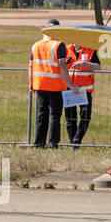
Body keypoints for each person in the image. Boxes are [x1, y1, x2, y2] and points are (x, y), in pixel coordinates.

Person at [29, 20, 82, 148]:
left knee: (41, 115)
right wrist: (70, 85)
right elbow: (63, 67)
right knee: (55, 116)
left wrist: (31, 84)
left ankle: (38, 143)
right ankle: (53, 143)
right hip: (55, 86)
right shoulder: (59, 45)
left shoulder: (35, 45)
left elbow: (30, 66)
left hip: (39, 85)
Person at [65, 42, 101, 146]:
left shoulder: (90, 50)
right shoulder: (66, 50)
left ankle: (77, 139)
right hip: (70, 89)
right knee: (70, 118)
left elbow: (98, 67)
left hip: (84, 91)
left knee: (85, 117)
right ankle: (74, 144)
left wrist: (85, 64)